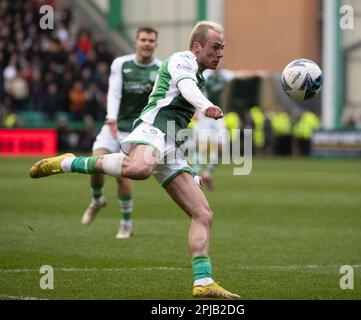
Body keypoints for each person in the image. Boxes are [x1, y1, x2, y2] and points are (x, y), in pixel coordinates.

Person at [29, 21, 240, 299]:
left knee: (203, 214)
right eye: (216, 47)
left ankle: (203, 281)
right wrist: (206, 106)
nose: (220, 53)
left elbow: (190, 94)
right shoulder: (181, 60)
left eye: (223, 48)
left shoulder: (200, 74)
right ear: (197, 46)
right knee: (139, 169)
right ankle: (68, 162)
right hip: (153, 130)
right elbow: (187, 88)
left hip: (172, 144)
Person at [81, 27, 161, 239]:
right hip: (113, 124)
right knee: (95, 163)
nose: (146, 43)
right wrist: (112, 119)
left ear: (156, 44)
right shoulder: (121, 64)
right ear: (136, 42)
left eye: (151, 40)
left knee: (122, 176)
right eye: (143, 39)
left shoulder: (161, 69)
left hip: (137, 131)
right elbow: (114, 92)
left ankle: (126, 224)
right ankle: (97, 199)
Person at [193, 68, 264, 189]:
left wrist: (256, 73)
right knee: (203, 147)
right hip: (204, 114)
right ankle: (195, 176)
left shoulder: (224, 75)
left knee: (222, 147)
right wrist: (194, 110)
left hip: (218, 114)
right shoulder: (204, 74)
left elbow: (239, 74)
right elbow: (193, 91)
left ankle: (207, 174)